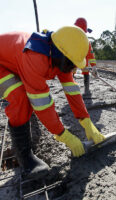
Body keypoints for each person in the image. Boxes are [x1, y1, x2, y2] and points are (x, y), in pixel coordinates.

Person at [0, 26, 105, 179]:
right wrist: (63, 135)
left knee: (24, 96)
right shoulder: (35, 56)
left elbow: (72, 91)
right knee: (20, 97)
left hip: (13, 61)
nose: (72, 68)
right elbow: (42, 105)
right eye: (71, 63)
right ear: (60, 53)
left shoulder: (59, 57)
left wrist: (87, 121)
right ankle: (25, 158)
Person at [73, 17, 98, 95]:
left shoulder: (86, 42)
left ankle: (86, 90)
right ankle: (73, 90)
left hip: (82, 60)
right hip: (72, 59)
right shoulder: (72, 40)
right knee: (71, 72)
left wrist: (93, 66)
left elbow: (90, 54)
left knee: (85, 71)